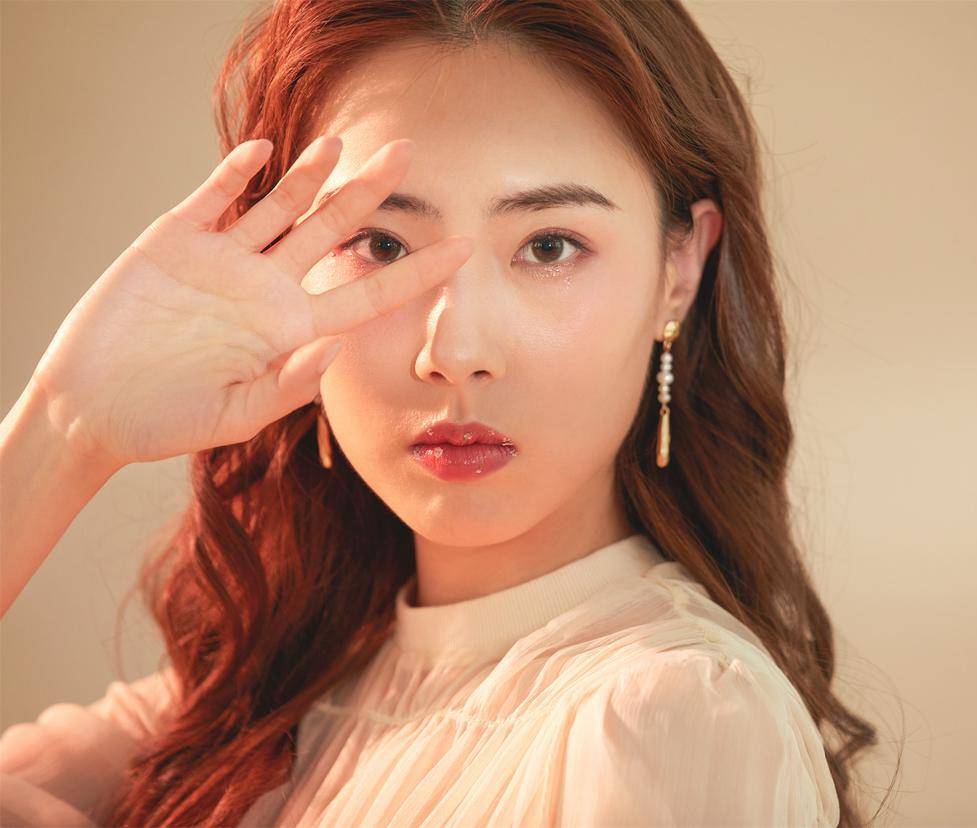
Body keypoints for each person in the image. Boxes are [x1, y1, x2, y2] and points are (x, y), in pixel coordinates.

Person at [0, 0, 880, 825]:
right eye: (381, 244)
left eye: (549, 246)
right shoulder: (259, 700)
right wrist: (66, 425)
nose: (453, 351)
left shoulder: (671, 714)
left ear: (679, 271)